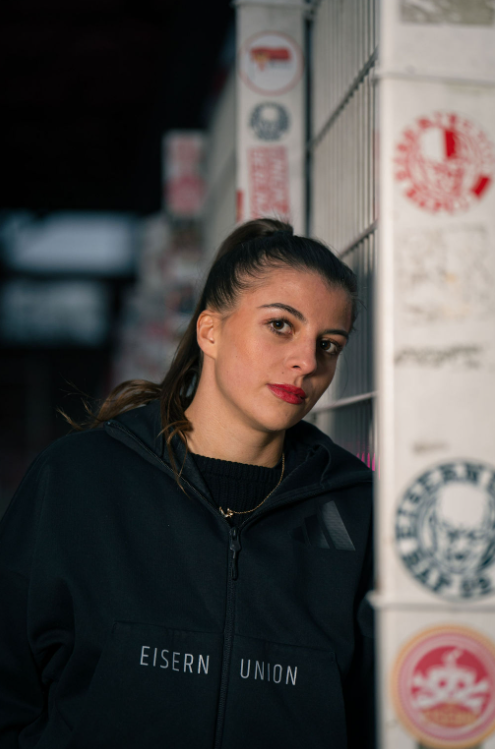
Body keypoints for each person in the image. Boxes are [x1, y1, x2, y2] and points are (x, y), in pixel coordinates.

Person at [0, 218, 375, 748]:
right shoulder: (78, 480)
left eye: (330, 344)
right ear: (210, 331)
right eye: (280, 325)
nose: (306, 361)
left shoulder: (353, 509)